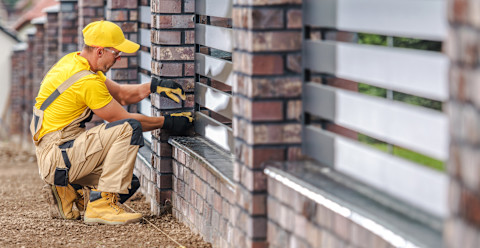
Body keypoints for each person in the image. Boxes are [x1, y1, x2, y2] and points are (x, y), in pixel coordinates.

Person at [30, 20, 193, 225]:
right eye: (116, 53)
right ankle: (100, 207)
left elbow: (122, 95)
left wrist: (154, 86)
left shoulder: (76, 63)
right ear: (99, 51)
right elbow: (124, 121)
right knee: (129, 128)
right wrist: (167, 122)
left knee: (128, 183)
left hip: (59, 152)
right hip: (59, 155)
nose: (119, 58)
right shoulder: (86, 82)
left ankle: (69, 190)